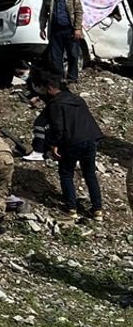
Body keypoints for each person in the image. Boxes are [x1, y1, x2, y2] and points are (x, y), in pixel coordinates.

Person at [32, 72, 104, 221]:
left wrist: (53, 145)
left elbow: (57, 127)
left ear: (50, 88)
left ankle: (71, 208)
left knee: (66, 174)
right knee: (90, 174)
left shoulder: (55, 104)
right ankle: (97, 210)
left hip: (72, 142)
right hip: (90, 139)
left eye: (45, 89)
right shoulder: (78, 99)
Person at [39, 0, 85, 83]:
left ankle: (72, 78)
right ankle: (58, 79)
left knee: (73, 54)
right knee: (55, 57)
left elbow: (78, 11)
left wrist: (77, 28)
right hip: (55, 31)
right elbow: (44, 13)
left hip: (70, 30)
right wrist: (42, 28)